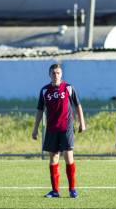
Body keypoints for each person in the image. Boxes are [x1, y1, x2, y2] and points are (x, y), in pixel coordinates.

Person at [32, 63, 86, 198]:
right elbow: (39, 110)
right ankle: (55, 191)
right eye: (53, 73)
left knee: (68, 157)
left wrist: (82, 123)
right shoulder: (44, 91)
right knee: (54, 158)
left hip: (66, 128)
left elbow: (78, 105)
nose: (56, 75)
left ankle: (72, 189)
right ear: (49, 75)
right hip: (51, 129)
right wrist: (35, 129)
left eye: (58, 73)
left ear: (61, 74)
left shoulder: (68, 88)